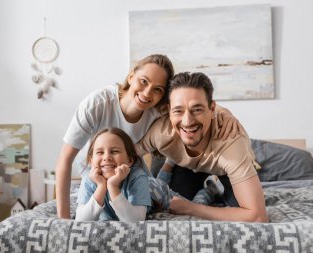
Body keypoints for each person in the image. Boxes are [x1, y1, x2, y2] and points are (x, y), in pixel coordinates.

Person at [56, 54, 240, 219]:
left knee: (174, 202)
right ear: (131, 76)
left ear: (162, 97)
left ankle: (209, 191)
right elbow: (65, 161)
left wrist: (226, 113)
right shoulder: (96, 105)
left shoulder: (157, 110)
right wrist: (63, 222)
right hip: (95, 173)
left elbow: (193, 100)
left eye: (157, 89)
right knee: (102, 213)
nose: (147, 93)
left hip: (131, 174)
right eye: (144, 81)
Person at [136, 72, 269, 222]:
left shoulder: (231, 141)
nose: (187, 121)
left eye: (197, 109)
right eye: (178, 111)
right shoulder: (160, 132)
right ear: (169, 111)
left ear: (212, 109)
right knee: (173, 203)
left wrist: (191, 208)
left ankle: (215, 185)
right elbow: (127, 155)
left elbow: (258, 217)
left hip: (224, 169)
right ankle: (194, 178)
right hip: (186, 166)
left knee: (237, 206)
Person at [75, 128, 221, 221]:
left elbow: (135, 220)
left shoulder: (137, 175)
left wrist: (112, 186)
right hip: (150, 184)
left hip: (157, 192)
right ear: (90, 160)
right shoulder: (89, 180)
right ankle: (169, 162)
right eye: (100, 152)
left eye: (114, 151)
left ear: (130, 160)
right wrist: (101, 186)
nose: (106, 157)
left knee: (193, 206)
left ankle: (210, 189)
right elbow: (81, 220)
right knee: (155, 180)